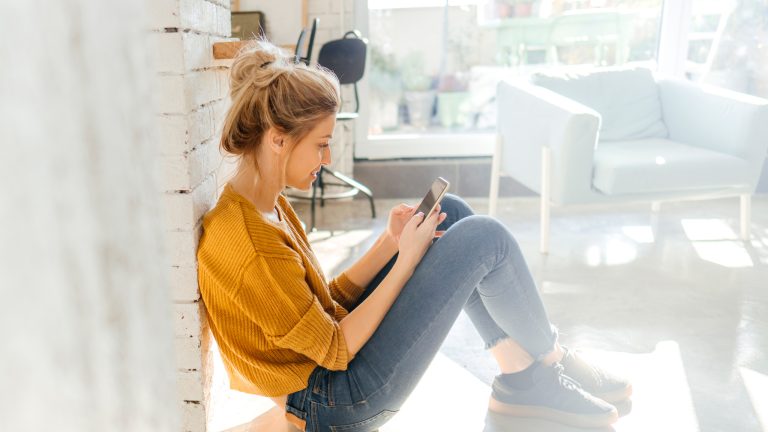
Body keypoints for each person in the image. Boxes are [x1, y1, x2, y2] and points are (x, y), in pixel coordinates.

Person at [197, 40, 631, 432]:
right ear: (277, 140)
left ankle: (520, 371)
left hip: (325, 378)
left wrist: (389, 242)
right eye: (321, 144)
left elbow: (322, 309)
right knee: (484, 236)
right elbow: (334, 347)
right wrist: (405, 260)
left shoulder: (265, 204)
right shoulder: (250, 243)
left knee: (453, 214)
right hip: (333, 403)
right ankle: (551, 364)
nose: (326, 158)